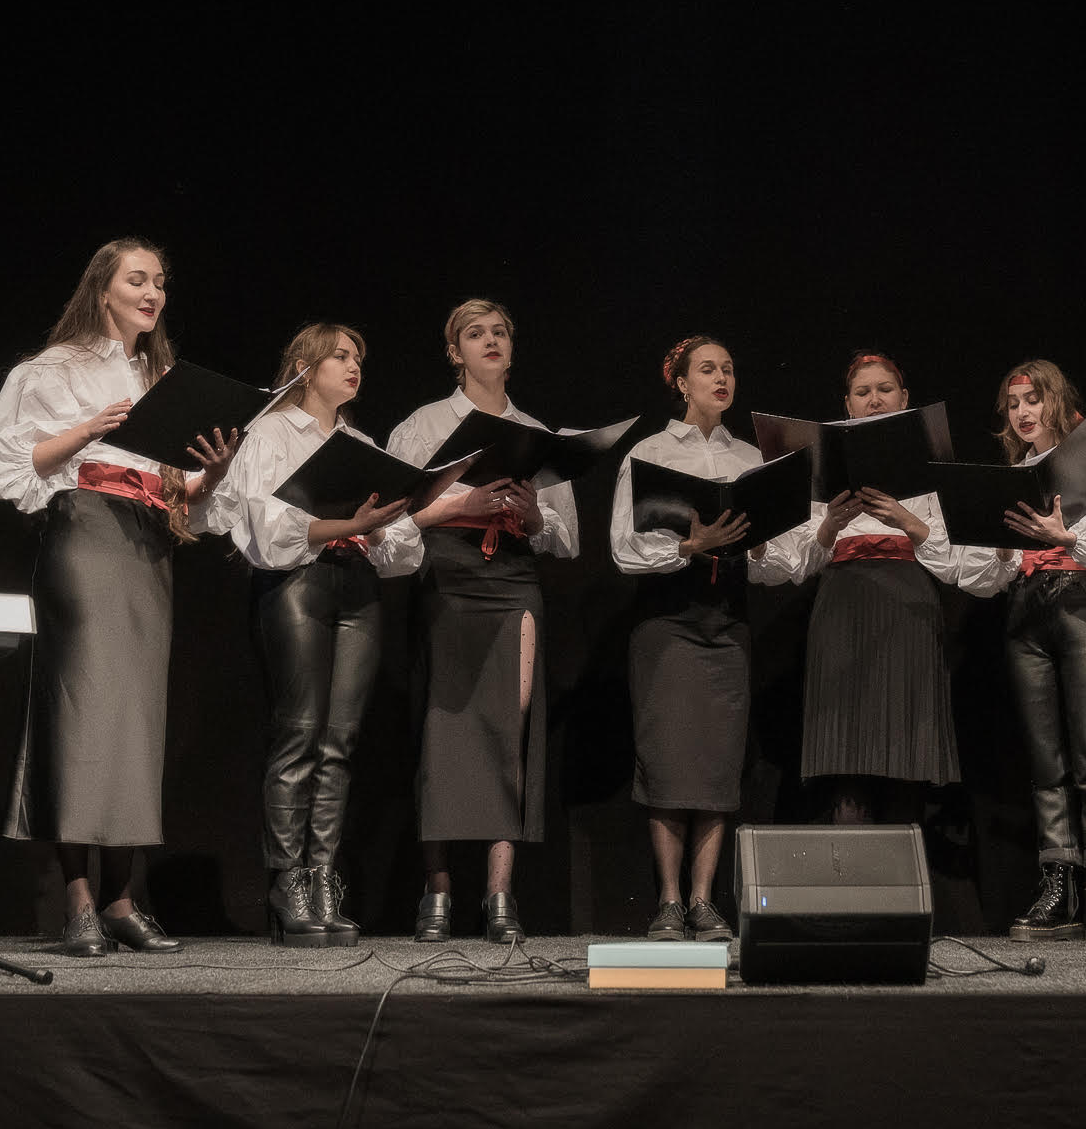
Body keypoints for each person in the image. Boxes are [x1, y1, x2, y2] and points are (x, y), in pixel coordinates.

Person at [0, 237, 237, 956]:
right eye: (138, 279)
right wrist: (82, 431)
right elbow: (1, 465)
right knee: (80, 710)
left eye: (160, 281)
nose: (153, 292)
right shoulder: (51, 369)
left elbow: (183, 493)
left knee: (133, 718)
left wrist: (211, 474)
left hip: (147, 541)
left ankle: (122, 897)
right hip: (85, 535)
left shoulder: (162, 378)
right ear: (104, 289)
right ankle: (79, 900)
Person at [203, 323, 423, 946]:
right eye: (340, 355)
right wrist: (342, 522)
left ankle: (325, 876)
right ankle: (286, 882)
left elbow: (405, 548)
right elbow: (265, 529)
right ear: (304, 366)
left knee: (341, 740)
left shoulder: (359, 441)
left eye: (358, 356)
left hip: (358, 586)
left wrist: (375, 527)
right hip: (298, 583)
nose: (354, 366)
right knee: (299, 732)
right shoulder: (270, 432)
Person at [387, 299, 579, 943]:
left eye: (500, 331)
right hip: (449, 578)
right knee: (443, 731)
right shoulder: (424, 425)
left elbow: (566, 536)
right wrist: (460, 502)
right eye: (476, 333)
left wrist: (532, 517)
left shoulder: (533, 430)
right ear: (454, 350)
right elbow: (389, 519)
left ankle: (500, 895)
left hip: (513, 582)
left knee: (510, 729)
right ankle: (437, 890)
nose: (490, 341)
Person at [609, 335, 798, 940]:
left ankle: (703, 900)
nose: (721, 379)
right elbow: (623, 549)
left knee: (718, 766)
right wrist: (690, 546)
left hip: (727, 620)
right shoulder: (651, 451)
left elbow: (783, 565)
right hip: (667, 621)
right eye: (707, 370)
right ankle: (666, 900)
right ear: (681, 382)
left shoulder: (752, 458)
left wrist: (760, 539)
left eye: (729, 370)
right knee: (667, 763)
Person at [956, 360, 1086, 942]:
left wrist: (1069, 537)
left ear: (1056, 402)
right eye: (1013, 404)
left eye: (1032, 400)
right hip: (1027, 612)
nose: (1023, 413)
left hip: (1083, 600)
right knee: (1045, 762)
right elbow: (986, 568)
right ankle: (1056, 884)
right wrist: (1004, 550)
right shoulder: (1012, 474)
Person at [764, 351, 968, 823]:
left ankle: (904, 873)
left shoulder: (930, 460)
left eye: (884, 390)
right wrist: (830, 525)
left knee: (905, 750)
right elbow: (797, 562)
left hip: (908, 606)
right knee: (845, 752)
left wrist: (904, 519)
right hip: (842, 603)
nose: (874, 399)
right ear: (848, 405)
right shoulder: (824, 461)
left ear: (904, 398)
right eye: (863, 392)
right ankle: (849, 881)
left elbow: (957, 560)